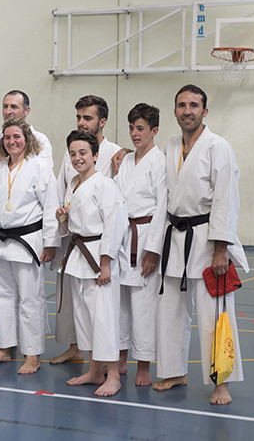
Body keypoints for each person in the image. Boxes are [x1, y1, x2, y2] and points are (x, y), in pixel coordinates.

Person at [153, 84, 248, 404]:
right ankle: (174, 371)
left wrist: (221, 248)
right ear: (175, 110)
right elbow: (161, 193)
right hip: (175, 238)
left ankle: (221, 381)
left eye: (194, 105)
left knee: (215, 314)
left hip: (207, 240)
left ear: (204, 111)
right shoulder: (168, 146)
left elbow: (226, 199)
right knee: (170, 311)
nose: (187, 110)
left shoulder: (218, 146)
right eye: (182, 105)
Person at [0, 119, 60, 374]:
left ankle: (32, 355)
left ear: (27, 138)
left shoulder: (40, 166)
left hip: (28, 243)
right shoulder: (0, 169)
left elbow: (50, 207)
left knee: (30, 300)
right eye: (7, 137)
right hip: (0, 243)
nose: (12, 141)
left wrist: (51, 243)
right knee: (0, 299)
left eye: (17, 136)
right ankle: (4, 348)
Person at [51, 95, 123, 365]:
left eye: (88, 118)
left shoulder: (114, 157)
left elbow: (115, 213)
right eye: (78, 117)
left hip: (99, 248)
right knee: (78, 309)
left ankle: (112, 368)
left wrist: (107, 259)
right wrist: (61, 220)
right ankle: (84, 357)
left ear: (102, 121)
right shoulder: (72, 164)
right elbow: (64, 195)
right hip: (76, 245)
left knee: (102, 313)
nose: (81, 122)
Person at [57, 131, 129, 396]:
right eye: (73, 153)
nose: (78, 158)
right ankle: (94, 370)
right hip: (78, 256)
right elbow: (72, 225)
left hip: (98, 257)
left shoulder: (105, 185)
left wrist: (106, 262)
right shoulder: (73, 183)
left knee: (104, 318)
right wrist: (62, 218)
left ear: (96, 155)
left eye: (83, 152)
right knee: (84, 318)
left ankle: (113, 375)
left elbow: (116, 223)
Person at [113, 103, 167, 386]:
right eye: (132, 128)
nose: (135, 133)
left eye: (141, 129)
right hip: (124, 235)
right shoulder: (127, 161)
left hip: (145, 236)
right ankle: (121, 357)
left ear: (154, 131)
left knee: (143, 304)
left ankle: (143, 363)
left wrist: (153, 251)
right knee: (120, 302)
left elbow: (162, 208)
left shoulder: (161, 162)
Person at [0, 90, 53, 167]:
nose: (8, 111)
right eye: (5, 106)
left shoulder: (40, 139)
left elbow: (44, 170)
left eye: (14, 107)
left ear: (26, 111)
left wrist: (7, 161)